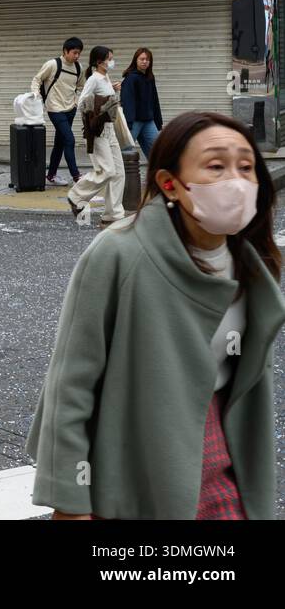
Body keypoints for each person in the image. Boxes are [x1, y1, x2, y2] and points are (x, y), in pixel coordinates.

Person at [27, 112, 285, 519]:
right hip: (137, 467)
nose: (236, 180)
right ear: (170, 184)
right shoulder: (119, 252)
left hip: (224, 459)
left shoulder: (252, 264)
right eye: (216, 166)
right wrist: (69, 498)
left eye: (247, 166)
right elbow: (71, 383)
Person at [67, 46, 135, 226]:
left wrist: (111, 91)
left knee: (119, 172)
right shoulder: (93, 79)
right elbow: (83, 103)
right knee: (107, 171)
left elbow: (104, 100)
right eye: (109, 59)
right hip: (98, 131)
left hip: (110, 129)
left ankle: (113, 214)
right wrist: (104, 103)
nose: (112, 62)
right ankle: (76, 196)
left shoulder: (105, 78)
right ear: (99, 62)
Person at [32, 37, 86, 186]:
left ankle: (51, 175)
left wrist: (76, 102)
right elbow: (37, 79)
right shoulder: (52, 64)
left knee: (60, 143)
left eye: (79, 53)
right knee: (70, 140)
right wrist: (36, 95)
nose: (77, 56)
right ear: (65, 51)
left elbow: (82, 86)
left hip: (70, 109)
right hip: (55, 109)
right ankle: (76, 176)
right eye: (74, 53)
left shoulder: (78, 68)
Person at [120, 47, 163, 158]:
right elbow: (127, 101)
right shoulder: (131, 78)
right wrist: (128, 123)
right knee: (126, 151)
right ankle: (119, 175)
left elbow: (154, 100)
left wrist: (158, 121)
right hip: (134, 122)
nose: (144, 61)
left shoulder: (150, 77)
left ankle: (157, 174)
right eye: (142, 59)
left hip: (148, 121)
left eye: (147, 59)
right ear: (136, 60)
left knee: (157, 151)